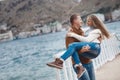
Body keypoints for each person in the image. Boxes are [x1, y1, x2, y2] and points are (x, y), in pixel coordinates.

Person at [47, 14, 110, 79]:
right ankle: (61, 62)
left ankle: (60, 61)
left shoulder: (82, 32)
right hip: (80, 64)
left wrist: (98, 39)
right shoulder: (69, 35)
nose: (82, 21)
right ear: (75, 21)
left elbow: (88, 39)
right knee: (72, 46)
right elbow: (71, 51)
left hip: (89, 62)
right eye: (80, 19)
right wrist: (81, 51)